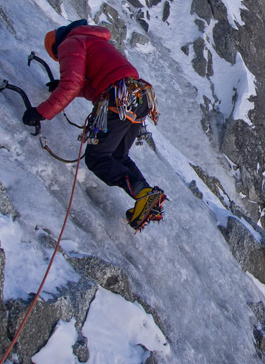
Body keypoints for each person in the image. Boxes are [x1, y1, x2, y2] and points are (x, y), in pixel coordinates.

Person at [21, 19, 166, 231]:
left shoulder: (69, 44)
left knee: (98, 158)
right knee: (116, 156)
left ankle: (143, 195)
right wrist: (61, 87)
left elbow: (72, 83)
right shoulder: (92, 39)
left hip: (118, 97)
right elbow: (91, 80)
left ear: (55, 47)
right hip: (139, 96)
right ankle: (146, 196)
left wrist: (40, 112)